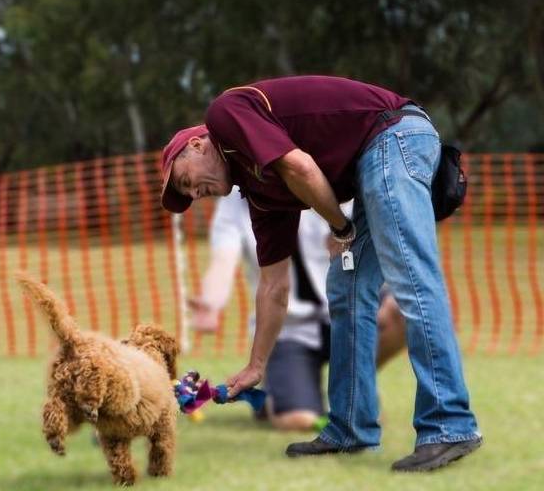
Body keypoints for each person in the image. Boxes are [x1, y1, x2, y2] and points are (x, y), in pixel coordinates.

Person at [160, 76, 481, 472]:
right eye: (187, 194)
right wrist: (256, 365)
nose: (193, 194)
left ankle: (450, 426)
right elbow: (274, 286)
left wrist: (341, 228)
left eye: (186, 180)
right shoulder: (260, 191)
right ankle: (350, 429)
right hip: (375, 157)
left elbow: (301, 166)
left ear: (197, 145)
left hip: (394, 135)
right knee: (345, 288)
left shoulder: (224, 114)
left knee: (411, 278)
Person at [189, 189, 406, 431]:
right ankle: (277, 396)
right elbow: (223, 261)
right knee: (296, 419)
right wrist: (210, 303)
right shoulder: (233, 205)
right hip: (291, 330)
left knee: (402, 309)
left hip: (346, 313)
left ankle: (354, 384)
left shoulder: (319, 178)